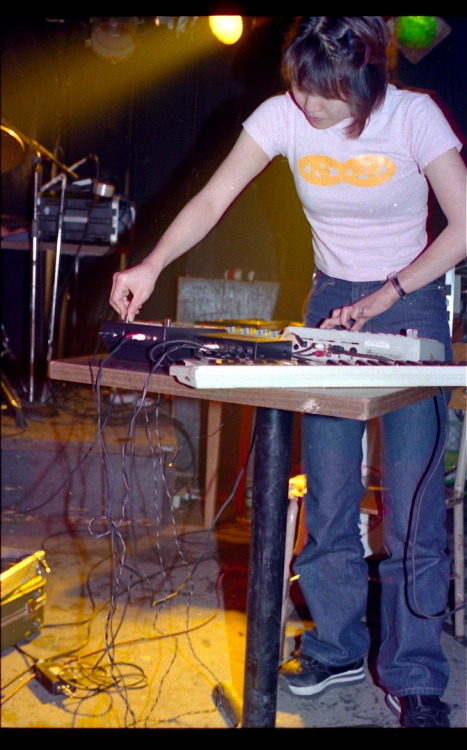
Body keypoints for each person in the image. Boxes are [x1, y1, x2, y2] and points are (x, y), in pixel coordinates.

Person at [109, 17, 466, 728]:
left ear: (362, 84)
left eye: (324, 97)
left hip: (411, 300)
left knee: (412, 510)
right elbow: (212, 200)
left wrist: (388, 294)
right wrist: (150, 264)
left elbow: (463, 224)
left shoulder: (412, 116)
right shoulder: (283, 112)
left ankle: (414, 672)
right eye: (299, 90)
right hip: (330, 301)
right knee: (328, 496)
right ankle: (334, 645)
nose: (307, 107)